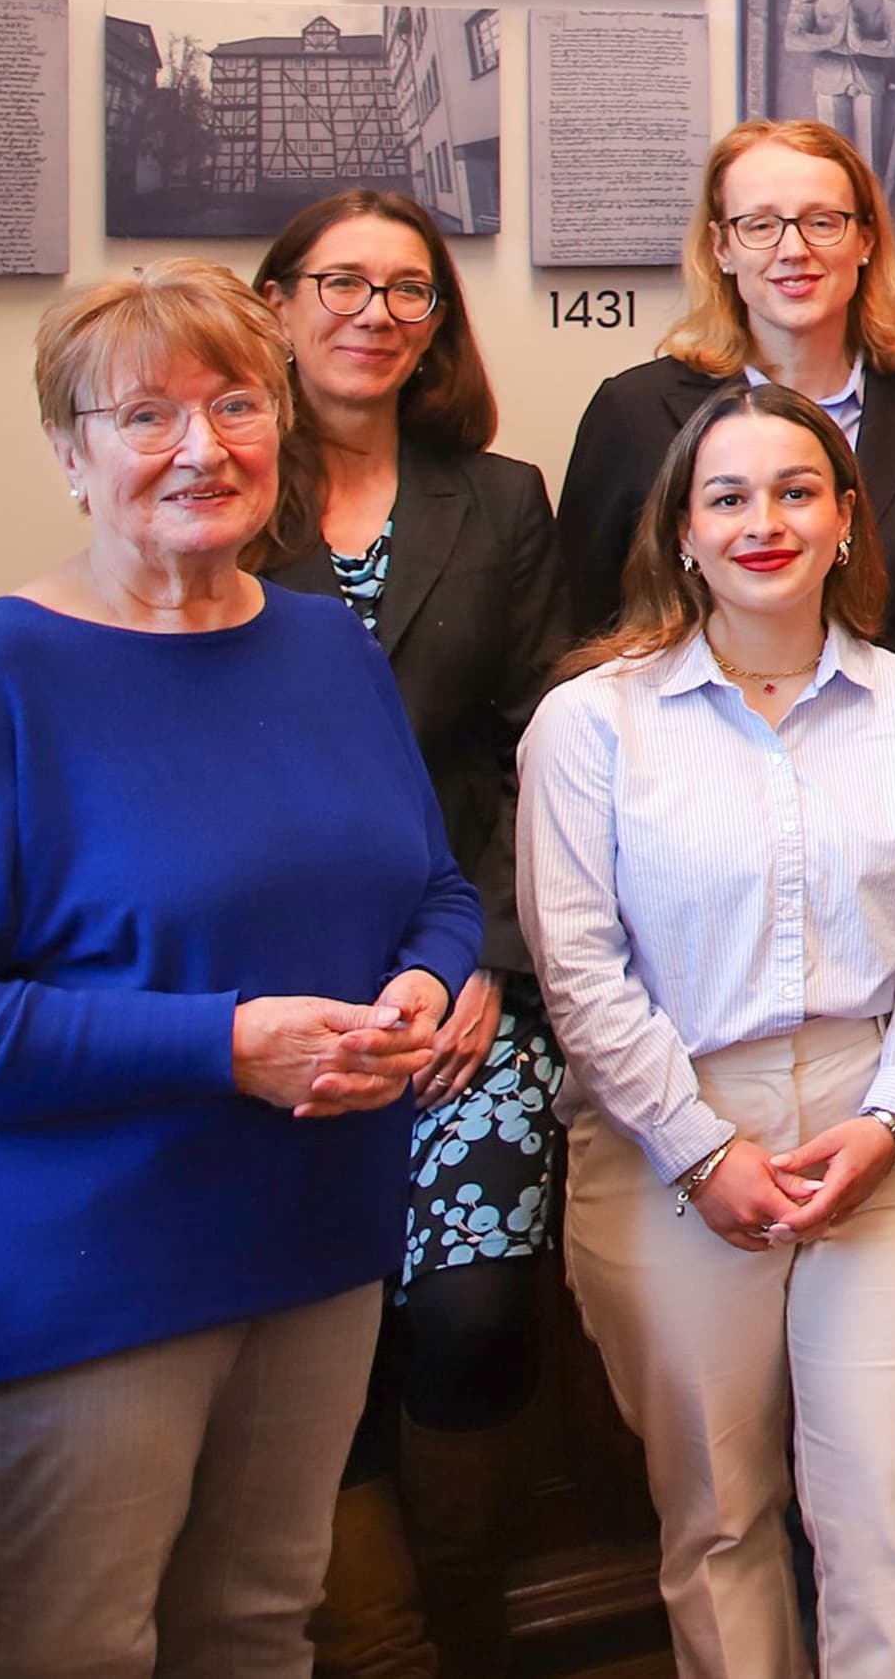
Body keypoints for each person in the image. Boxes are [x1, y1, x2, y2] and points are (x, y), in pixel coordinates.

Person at [0, 264, 476, 1679]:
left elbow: (432, 886)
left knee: (255, 1631)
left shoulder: (323, 644)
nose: (203, 447)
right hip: (90, 1267)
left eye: (237, 402)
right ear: (71, 452)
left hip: (319, 1238)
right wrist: (222, 1046)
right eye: (147, 417)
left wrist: (423, 985)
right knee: (78, 1653)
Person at [520, 384, 895, 1679]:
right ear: (680, 529)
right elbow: (579, 969)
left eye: (797, 490)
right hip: (667, 1142)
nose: (763, 521)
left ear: (847, 519)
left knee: (889, 1512)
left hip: (882, 1133)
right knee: (720, 1515)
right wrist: (699, 1150)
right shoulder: (591, 723)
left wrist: (892, 1122)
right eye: (726, 496)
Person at [255, 194, 573, 1679]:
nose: (374, 312)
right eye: (341, 283)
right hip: (272, 1005)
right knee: (312, 1338)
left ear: (439, 322)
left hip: (468, 991)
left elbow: (537, 749)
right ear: (275, 303)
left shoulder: (497, 499)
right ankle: (382, 1653)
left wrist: (485, 965)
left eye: (409, 290)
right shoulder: (214, 488)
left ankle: (466, 1619)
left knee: (469, 1315)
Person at [558, 119, 895, 739]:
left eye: (822, 222)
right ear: (722, 247)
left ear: (865, 240)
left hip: (883, 781)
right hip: (685, 786)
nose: (793, 250)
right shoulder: (632, 413)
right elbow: (584, 625)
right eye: (760, 224)